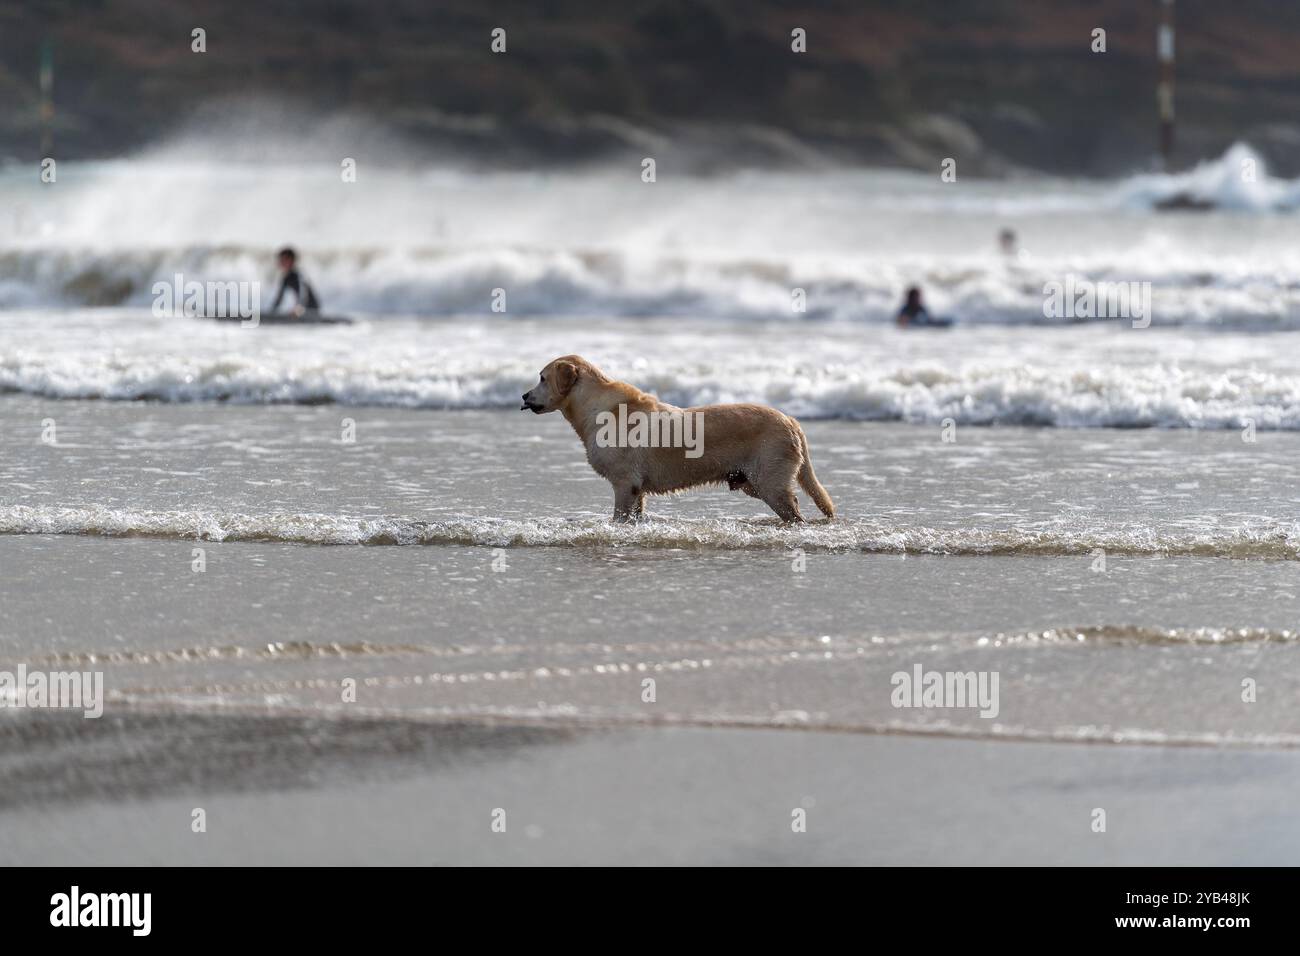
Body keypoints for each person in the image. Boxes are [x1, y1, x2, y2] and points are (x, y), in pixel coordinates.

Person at [269, 247, 321, 316]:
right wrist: (272, 311)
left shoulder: (299, 275)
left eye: (282, 260)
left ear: (290, 261)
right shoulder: (285, 278)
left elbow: (303, 292)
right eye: (280, 260)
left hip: (312, 311)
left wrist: (299, 307)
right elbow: (279, 298)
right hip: (303, 311)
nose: (280, 263)